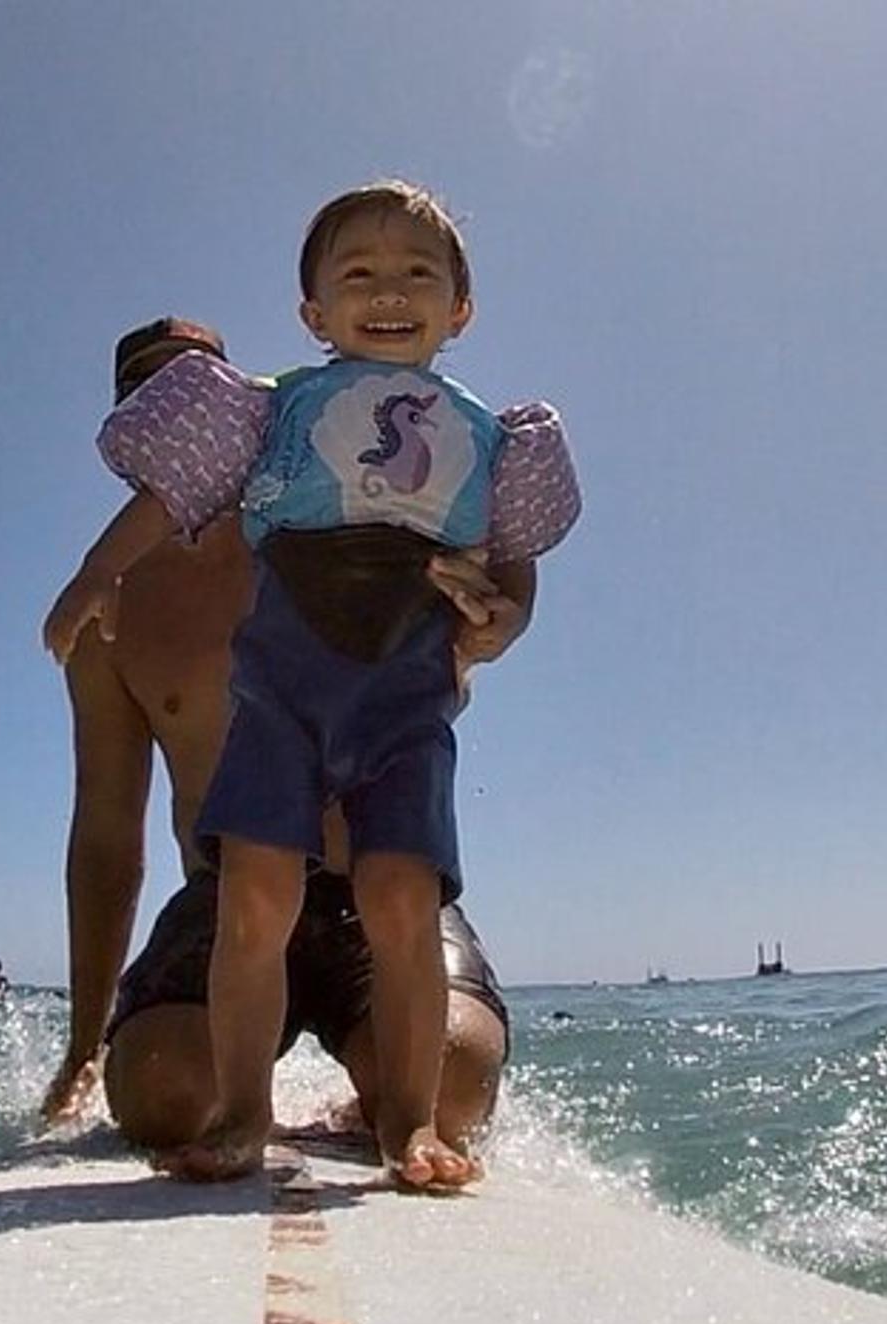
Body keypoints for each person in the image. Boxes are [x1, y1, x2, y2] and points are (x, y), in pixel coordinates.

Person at [46, 183, 578, 1186]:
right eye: (160, 401)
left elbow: (494, 572)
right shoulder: (112, 620)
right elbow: (105, 840)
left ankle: (387, 1105)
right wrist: (81, 1049)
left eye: (203, 387)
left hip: (371, 886)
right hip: (229, 895)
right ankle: (237, 1100)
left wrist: (494, 621)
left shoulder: (356, 485)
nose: (190, 419)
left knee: (456, 1090)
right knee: (159, 1095)